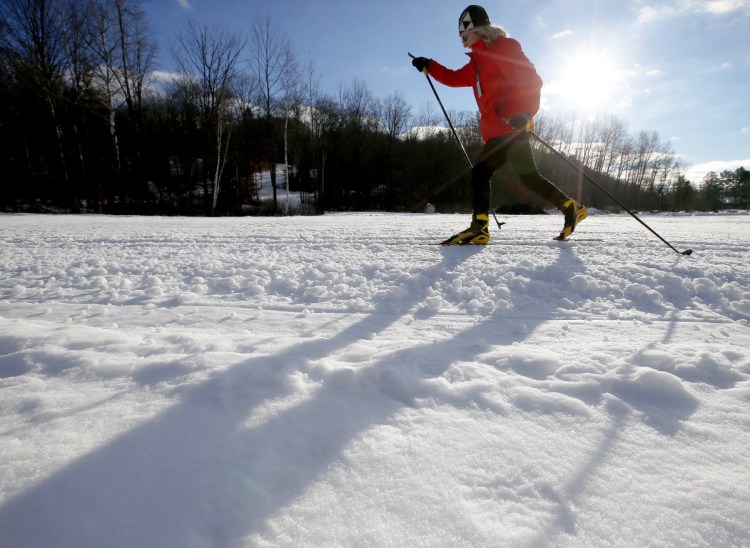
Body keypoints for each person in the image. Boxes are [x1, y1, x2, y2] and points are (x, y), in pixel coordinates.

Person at [411, 5, 588, 244]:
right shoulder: (476, 63)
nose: (463, 43)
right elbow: (453, 78)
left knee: (481, 172)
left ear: (478, 30)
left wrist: (525, 113)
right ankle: (570, 207)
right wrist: (429, 65)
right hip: (501, 128)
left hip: (511, 125)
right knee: (530, 178)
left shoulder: (504, 48)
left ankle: (479, 227)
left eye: (464, 36)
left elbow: (531, 79)